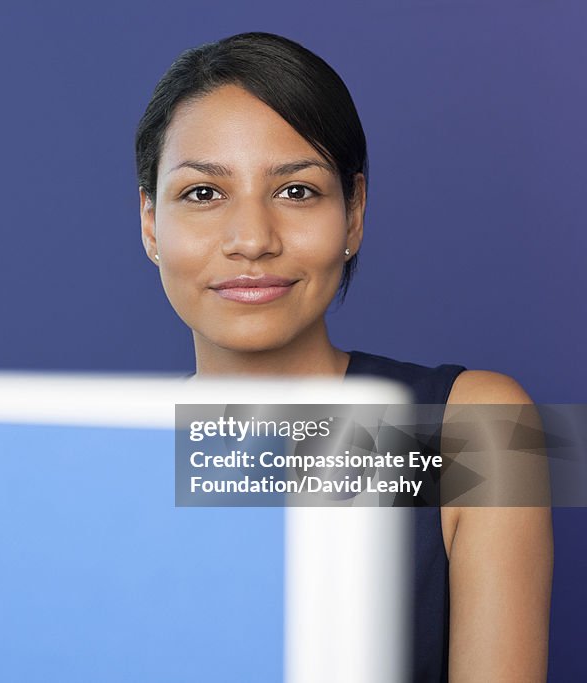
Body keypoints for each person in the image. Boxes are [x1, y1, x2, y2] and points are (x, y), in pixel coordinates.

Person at [135, 32, 552, 681]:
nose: (252, 239)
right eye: (202, 194)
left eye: (297, 191)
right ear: (150, 224)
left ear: (354, 214)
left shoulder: (482, 428)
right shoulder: (96, 456)